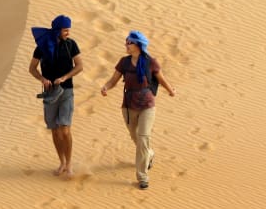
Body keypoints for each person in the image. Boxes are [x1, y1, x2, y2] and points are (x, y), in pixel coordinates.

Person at [100, 30, 176, 189]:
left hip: (147, 105)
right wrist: (106, 87)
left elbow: (161, 79)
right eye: (126, 42)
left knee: (143, 138)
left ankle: (142, 177)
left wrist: (170, 90)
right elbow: (114, 80)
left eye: (129, 42)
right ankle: (149, 154)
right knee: (136, 138)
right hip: (128, 106)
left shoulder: (150, 62)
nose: (126, 45)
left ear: (138, 45)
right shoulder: (124, 62)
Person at [29, 15, 84, 176]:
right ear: (57, 30)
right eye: (65, 29)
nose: (68, 32)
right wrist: (42, 79)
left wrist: (65, 77)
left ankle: (69, 164)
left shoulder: (71, 45)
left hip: (66, 91)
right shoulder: (42, 46)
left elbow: (80, 66)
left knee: (65, 129)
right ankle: (61, 162)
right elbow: (32, 68)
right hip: (49, 93)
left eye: (68, 29)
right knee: (54, 130)